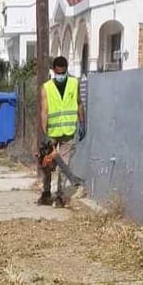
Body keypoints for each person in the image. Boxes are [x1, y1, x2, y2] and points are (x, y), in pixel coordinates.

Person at [38, 56, 86, 207]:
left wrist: (83, 122)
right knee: (47, 163)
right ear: (53, 71)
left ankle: (59, 197)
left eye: (63, 72)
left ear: (66, 70)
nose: (61, 75)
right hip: (51, 133)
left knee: (63, 166)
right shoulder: (47, 87)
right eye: (58, 73)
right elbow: (44, 111)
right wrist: (44, 133)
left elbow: (79, 103)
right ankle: (46, 193)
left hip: (68, 131)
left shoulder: (74, 83)